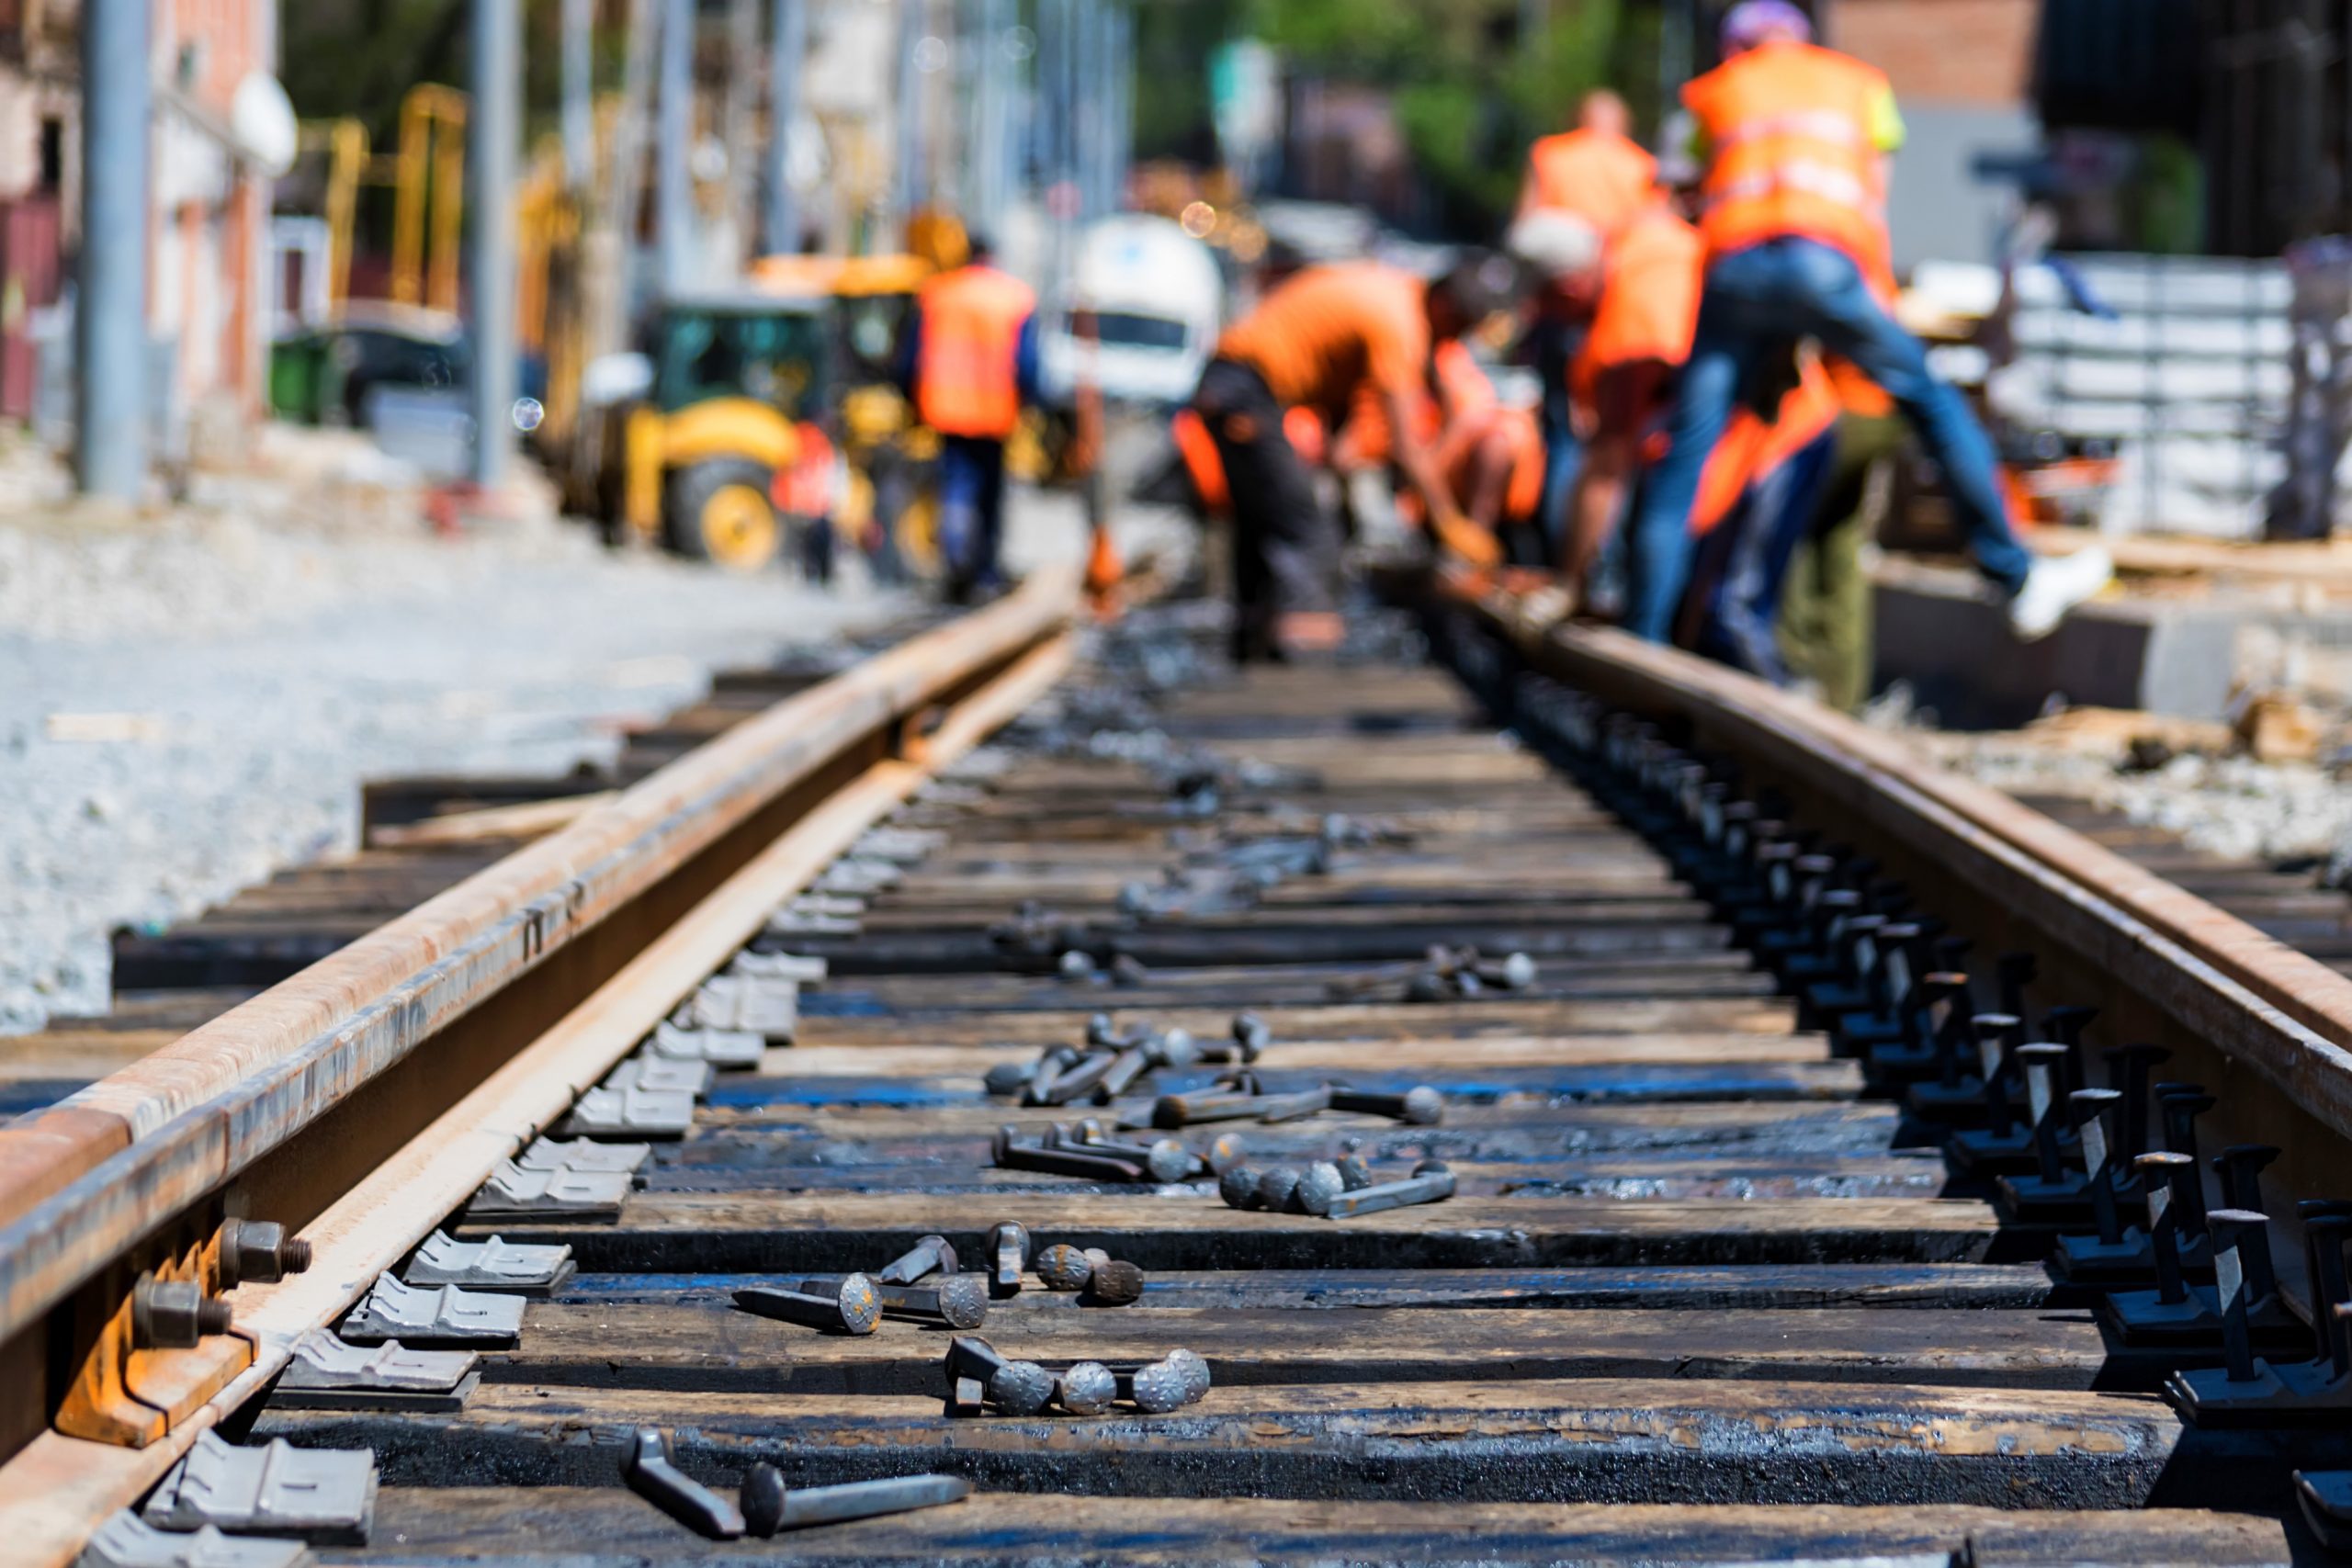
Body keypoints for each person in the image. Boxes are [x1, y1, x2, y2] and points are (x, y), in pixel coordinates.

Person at [1621, 0, 2109, 646]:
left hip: (1737, 269)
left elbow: (1688, 188)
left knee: (1690, 446)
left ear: (1736, 47)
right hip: (1825, 265)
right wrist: (1874, 301)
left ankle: (1644, 636)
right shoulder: (1859, 85)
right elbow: (1872, 200)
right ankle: (2014, 575)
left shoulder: (1717, 90)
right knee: (1931, 400)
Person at [1192, 256, 1517, 661]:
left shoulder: (1394, 295)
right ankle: (1303, 654)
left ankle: (1253, 643)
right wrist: (1448, 520)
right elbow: (1407, 446)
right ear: (1446, 307)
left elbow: (1335, 373)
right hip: (1244, 388)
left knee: (1266, 520)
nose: (1454, 340)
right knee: (1305, 524)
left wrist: (1337, 454)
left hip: (1234, 384)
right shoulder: (1400, 322)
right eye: (1460, 327)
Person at [1517, 90, 1658, 555]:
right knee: (1614, 446)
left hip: (1560, 314)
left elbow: (1524, 233)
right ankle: (1600, 560)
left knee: (1562, 435)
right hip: (1618, 318)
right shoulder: (1641, 166)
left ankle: (1559, 553)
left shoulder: (1551, 154)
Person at [901, 234, 1039, 601]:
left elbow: (911, 358)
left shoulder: (938, 294)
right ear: (992, 258)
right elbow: (1027, 364)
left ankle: (956, 560)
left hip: (947, 410)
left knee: (956, 487)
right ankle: (985, 570)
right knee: (990, 494)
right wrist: (1030, 402)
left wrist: (911, 401)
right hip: (995, 413)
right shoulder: (1014, 298)